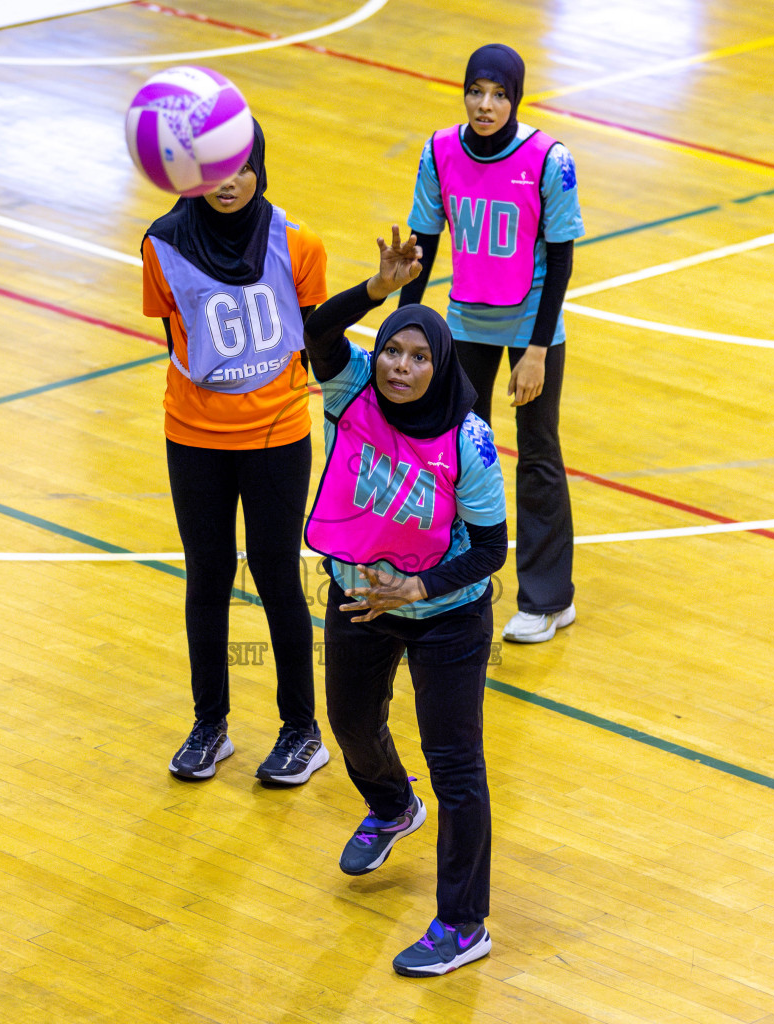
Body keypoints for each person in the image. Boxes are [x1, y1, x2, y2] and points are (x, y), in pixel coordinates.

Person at [302, 226, 507, 977]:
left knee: (457, 767)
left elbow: (491, 549)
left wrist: (420, 585)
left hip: (447, 614)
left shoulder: (470, 442)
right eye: (393, 349)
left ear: (440, 365)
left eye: (419, 357)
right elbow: (314, 330)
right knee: (351, 722)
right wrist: (377, 291)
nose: (400, 366)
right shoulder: (349, 386)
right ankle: (392, 805)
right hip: (359, 596)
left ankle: (464, 923)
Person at [141, 119, 331, 785]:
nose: (230, 182)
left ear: (261, 169)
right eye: (216, 170)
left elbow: (314, 333)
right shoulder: (161, 243)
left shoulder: (299, 242)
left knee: (277, 574)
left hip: (277, 434)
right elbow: (173, 330)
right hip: (192, 434)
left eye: (243, 168)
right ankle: (210, 724)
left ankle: (302, 730)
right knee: (207, 574)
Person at [397, 43, 585, 644]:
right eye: (476, 91)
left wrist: (536, 350)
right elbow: (422, 247)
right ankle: (455, 582)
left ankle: (548, 598)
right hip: (466, 324)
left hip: (532, 325)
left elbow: (560, 261)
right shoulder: (440, 150)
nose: (486, 104)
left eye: (499, 94)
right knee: (455, 454)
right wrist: (402, 336)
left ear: (516, 98)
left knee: (536, 454)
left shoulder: (549, 159)